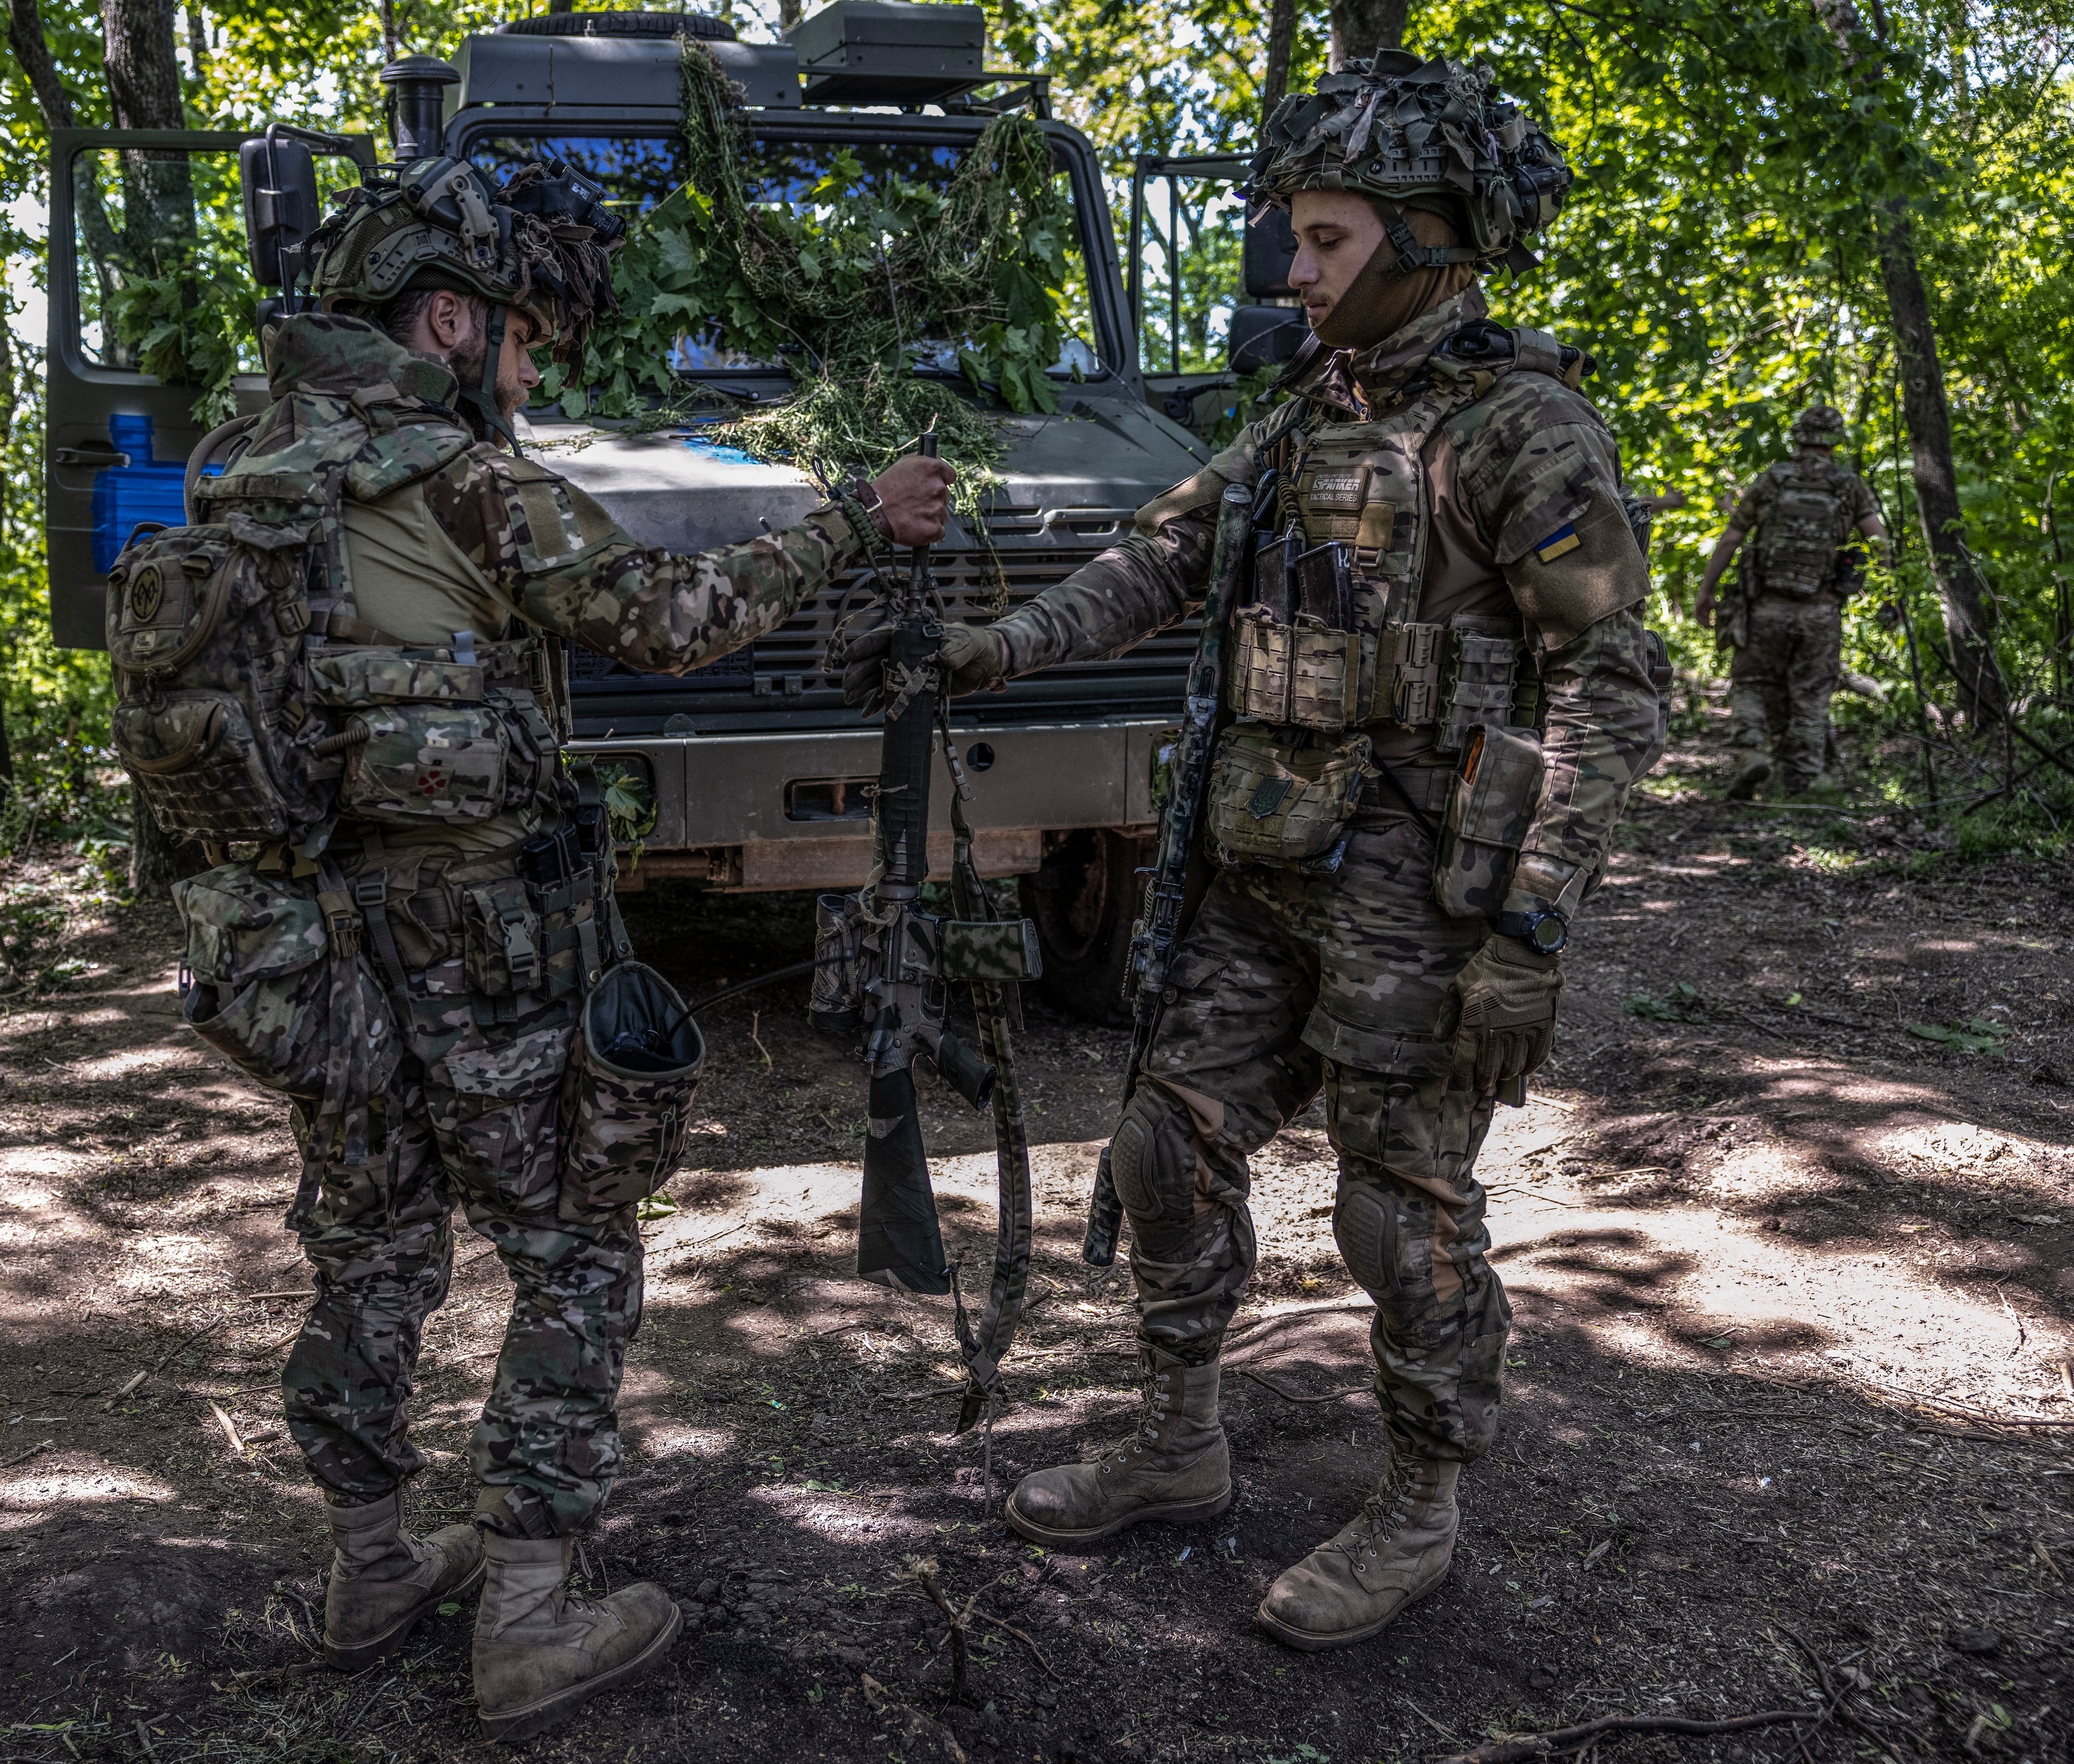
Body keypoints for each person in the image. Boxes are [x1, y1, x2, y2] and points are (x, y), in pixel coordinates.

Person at [845, 52, 1665, 1651]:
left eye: (1326, 240)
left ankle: (1419, 1503)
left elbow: (1614, 685)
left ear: (1427, 242)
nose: (1292, 270)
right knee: (1161, 1146)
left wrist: (1532, 924)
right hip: (1263, 868)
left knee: (1397, 1212)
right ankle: (1176, 1442)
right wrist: (990, 655)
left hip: (1423, 904)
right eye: (1293, 237)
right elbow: (1153, 565)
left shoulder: (1522, 431)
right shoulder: (1307, 414)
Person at [200, 157, 952, 1738]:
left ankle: (371, 1561)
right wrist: (850, 522)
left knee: (372, 1242)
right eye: (526, 344)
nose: (531, 378)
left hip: (306, 946)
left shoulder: (244, 463)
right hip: (476, 935)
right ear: (450, 317)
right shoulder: (459, 478)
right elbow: (670, 618)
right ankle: (534, 1608)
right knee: (572, 1246)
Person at [1690, 404, 1891, 798]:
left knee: (1751, 683)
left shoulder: (1773, 480)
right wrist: (1890, 596)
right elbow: (1878, 540)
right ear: (1835, 441)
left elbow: (1732, 538)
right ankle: (1801, 785)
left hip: (1766, 607)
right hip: (1821, 610)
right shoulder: (1847, 485)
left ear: (1798, 437)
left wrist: (1706, 591)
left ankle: (1751, 754)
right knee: (1812, 694)